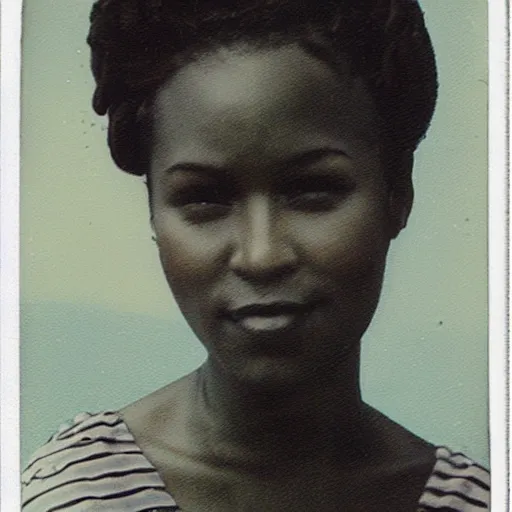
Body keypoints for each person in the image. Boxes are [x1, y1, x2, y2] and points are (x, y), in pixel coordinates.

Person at [21, 0, 490, 510]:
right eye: (204, 197)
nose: (261, 256)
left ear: (397, 195)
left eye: (313, 189)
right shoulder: (72, 494)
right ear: (154, 210)